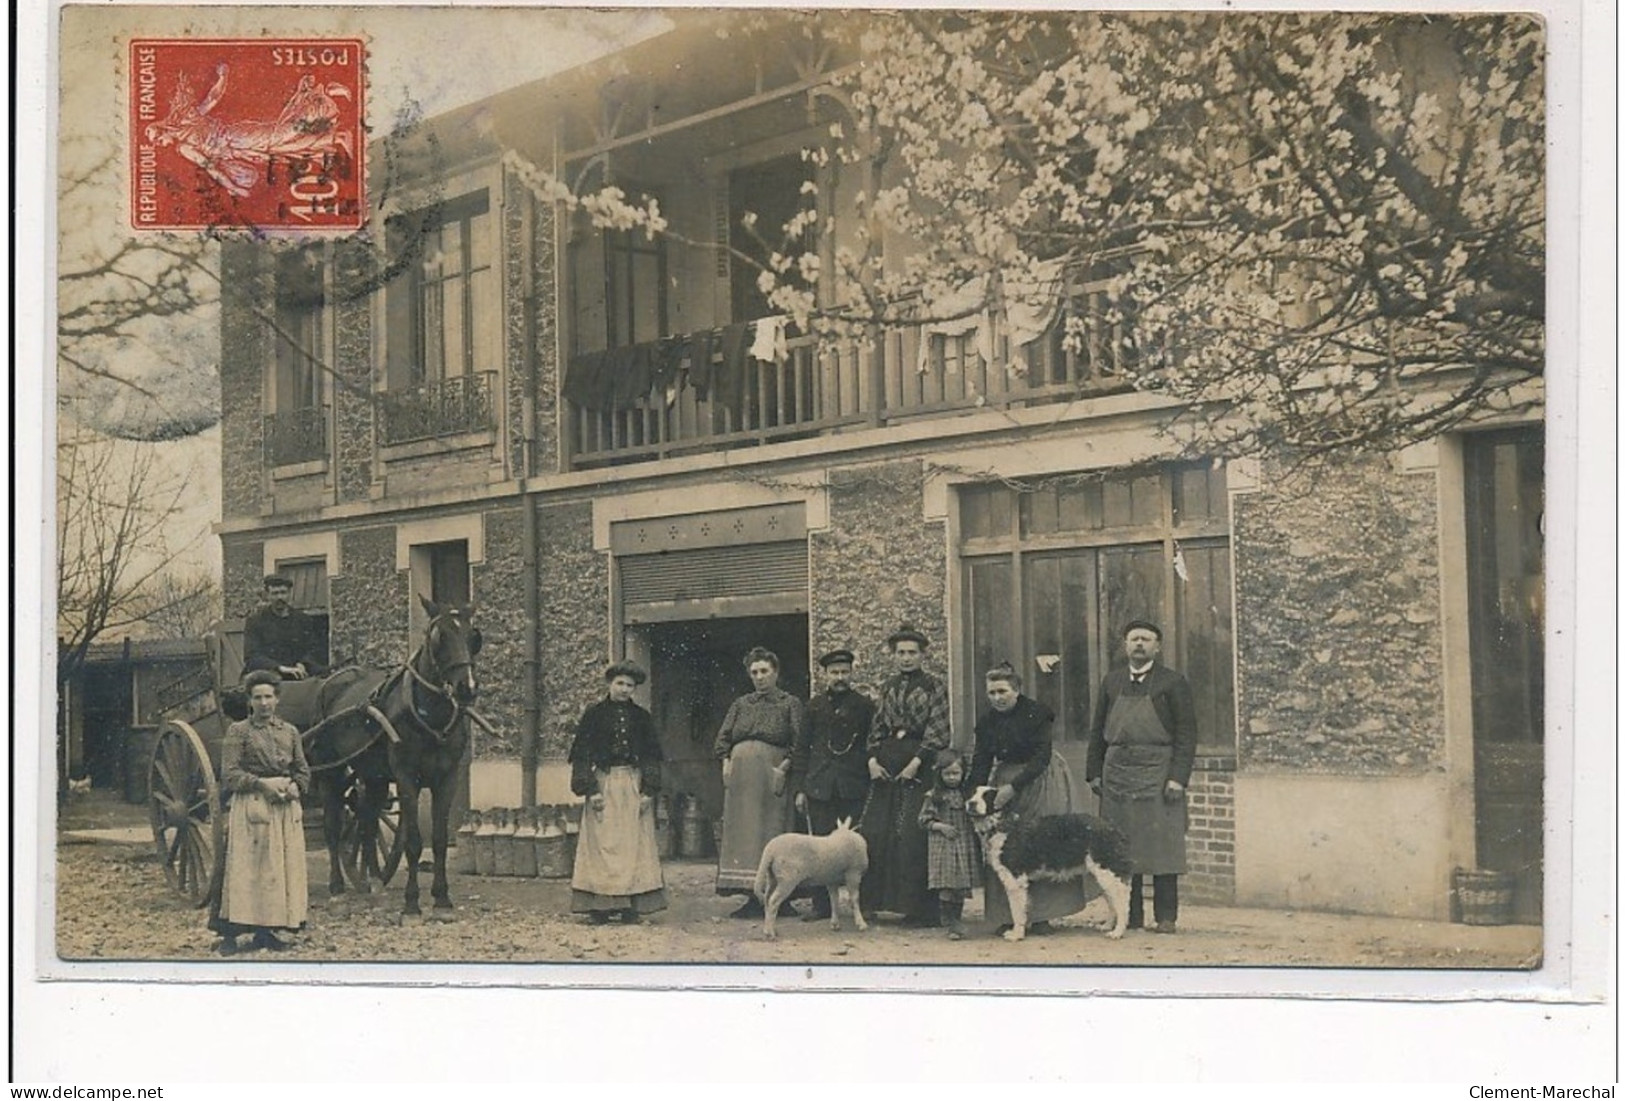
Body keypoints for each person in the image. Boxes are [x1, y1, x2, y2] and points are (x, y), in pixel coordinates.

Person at [1085, 620, 1198, 934]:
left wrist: (1178, 777)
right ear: (1125, 645)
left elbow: (1187, 734)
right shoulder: (1112, 682)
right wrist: (1093, 771)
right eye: (1134, 639)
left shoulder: (1173, 683)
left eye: (1146, 639)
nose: (1139, 644)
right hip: (1117, 772)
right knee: (1120, 847)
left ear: (1157, 647)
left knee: (1163, 846)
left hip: (1159, 773)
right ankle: (1130, 916)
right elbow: (1097, 731)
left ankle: (1165, 918)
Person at [969, 662, 1091, 934]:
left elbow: (1041, 756)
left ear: (1017, 690)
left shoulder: (1037, 713)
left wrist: (1014, 787)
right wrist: (975, 790)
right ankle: (1007, 915)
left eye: (1003, 691)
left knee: (1042, 839)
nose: (997, 698)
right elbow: (980, 760)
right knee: (1002, 846)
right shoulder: (987, 722)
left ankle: (1043, 916)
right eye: (991, 693)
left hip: (1040, 778)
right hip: (1004, 779)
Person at [209, 670, 311, 956]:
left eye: (269, 697)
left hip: (283, 806)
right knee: (249, 870)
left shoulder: (289, 732)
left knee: (277, 870)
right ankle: (233, 933)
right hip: (252, 804)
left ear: (277, 699)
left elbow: (303, 769)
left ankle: (268, 931)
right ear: (249, 701)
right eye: (258, 698)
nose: (264, 703)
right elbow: (229, 773)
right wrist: (261, 784)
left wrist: (296, 786)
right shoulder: (239, 732)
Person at [859, 624, 950, 926]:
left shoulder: (934, 686)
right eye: (901, 653)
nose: (906, 658)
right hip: (886, 763)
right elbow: (876, 728)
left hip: (918, 765)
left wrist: (917, 762)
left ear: (923, 655)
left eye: (912, 652)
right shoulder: (888, 687)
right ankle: (874, 904)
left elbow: (938, 731)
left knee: (911, 832)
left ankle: (918, 909)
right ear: (894, 655)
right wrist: (872, 760)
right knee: (877, 831)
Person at [567, 660, 667, 925]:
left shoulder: (641, 717)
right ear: (609, 684)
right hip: (604, 783)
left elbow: (650, 756)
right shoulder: (594, 715)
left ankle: (629, 907)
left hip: (632, 784)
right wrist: (590, 789)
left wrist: (649, 790)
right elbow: (581, 754)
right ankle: (599, 907)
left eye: (629, 685)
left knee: (633, 845)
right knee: (602, 844)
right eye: (620, 683)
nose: (624, 689)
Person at [714, 646, 805, 919]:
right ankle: (751, 898)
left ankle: (780, 898)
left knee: (773, 832)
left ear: (775, 672)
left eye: (764, 671)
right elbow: (723, 738)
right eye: (754, 672)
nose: (759, 677)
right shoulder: (741, 704)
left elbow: (799, 741)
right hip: (742, 779)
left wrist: (784, 767)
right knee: (743, 834)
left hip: (772, 774)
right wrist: (726, 763)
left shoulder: (790, 703)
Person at [790, 647, 877, 921]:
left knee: (856, 847)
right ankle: (822, 906)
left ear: (851, 673)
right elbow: (801, 748)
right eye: (834, 672)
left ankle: (862, 906)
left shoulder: (864, 706)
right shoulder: (813, 706)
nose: (839, 677)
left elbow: (871, 743)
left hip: (853, 785)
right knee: (820, 849)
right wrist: (800, 788)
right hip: (820, 786)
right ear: (825, 674)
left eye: (844, 672)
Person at [917, 748, 980, 940]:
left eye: (956, 773)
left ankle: (957, 921)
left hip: (963, 844)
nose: (952, 778)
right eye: (947, 774)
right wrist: (940, 826)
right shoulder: (933, 796)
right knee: (946, 885)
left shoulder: (967, 795)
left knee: (960, 885)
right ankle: (950, 922)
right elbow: (922, 820)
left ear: (963, 773)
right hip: (943, 845)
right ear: (940, 774)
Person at [242, 573, 325, 680]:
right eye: (275, 593)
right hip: (267, 675)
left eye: (283, 592)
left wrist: (304, 663)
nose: (279, 597)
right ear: (267, 595)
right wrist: (279, 668)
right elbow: (252, 656)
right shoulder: (256, 621)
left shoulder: (303, 620)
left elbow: (313, 649)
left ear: (289, 594)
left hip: (299, 674)